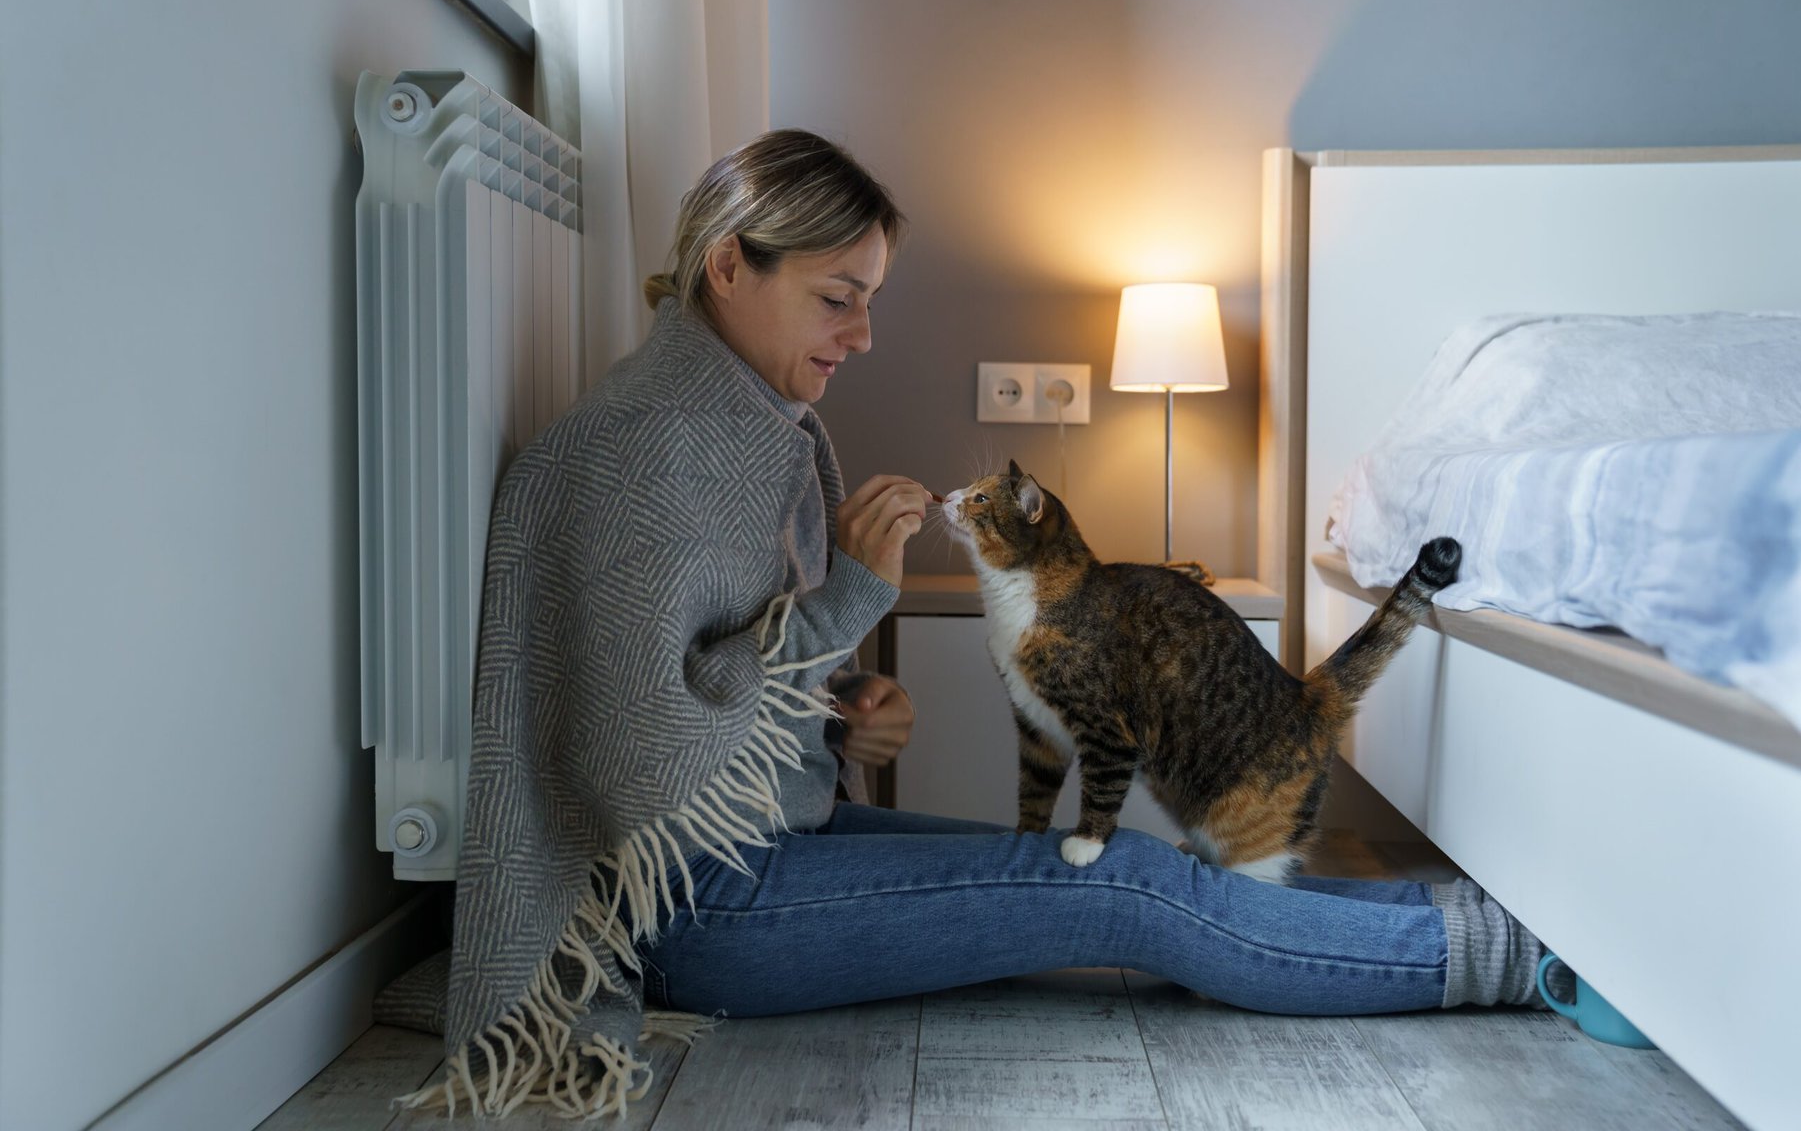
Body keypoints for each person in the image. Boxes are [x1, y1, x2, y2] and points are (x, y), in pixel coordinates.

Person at [412, 129, 1544, 1119]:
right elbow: (641, 755)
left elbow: (713, 684)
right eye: (835, 296)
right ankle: (1509, 958)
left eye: (871, 300)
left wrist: (848, 720)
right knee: (1121, 890)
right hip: (697, 911)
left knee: (1120, 864)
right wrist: (853, 599)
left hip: (765, 852)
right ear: (727, 267)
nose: (860, 336)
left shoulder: (743, 423)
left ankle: (1457, 920)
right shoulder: (647, 445)